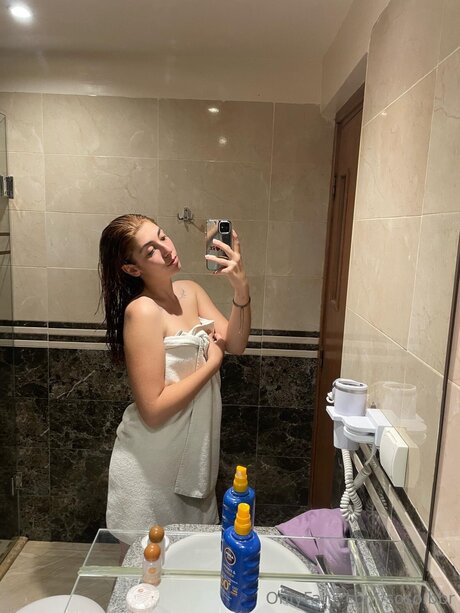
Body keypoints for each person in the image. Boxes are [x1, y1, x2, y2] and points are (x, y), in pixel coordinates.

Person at [98, 214, 251, 546]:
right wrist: (212, 364)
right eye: (151, 250)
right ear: (132, 269)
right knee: (144, 565)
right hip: (151, 464)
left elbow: (237, 342)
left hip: (193, 458)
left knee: (187, 561)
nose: (167, 249)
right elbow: (152, 410)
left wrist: (241, 288)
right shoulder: (143, 311)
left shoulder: (191, 292)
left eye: (163, 237)